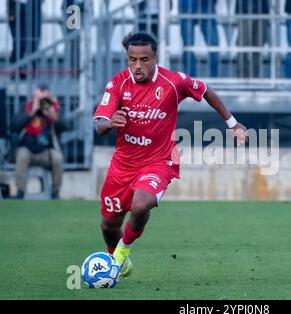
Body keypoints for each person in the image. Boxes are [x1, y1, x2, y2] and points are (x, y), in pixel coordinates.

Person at [93, 32, 247, 279]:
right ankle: (117, 260)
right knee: (108, 225)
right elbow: (99, 123)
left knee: (141, 204)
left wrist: (233, 124)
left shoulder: (173, 82)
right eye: (132, 60)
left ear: (155, 57)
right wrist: (109, 123)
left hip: (159, 161)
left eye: (144, 59)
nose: (137, 66)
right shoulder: (118, 83)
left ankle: (119, 256)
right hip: (123, 164)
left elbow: (206, 90)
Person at [12, 84, 64, 199]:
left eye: (44, 99)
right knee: (22, 156)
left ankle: (56, 193)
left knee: (58, 158)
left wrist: (53, 115)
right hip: (27, 148)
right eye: (38, 98)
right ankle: (20, 192)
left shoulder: (54, 108)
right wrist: (30, 113)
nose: (41, 102)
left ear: (50, 98)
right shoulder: (26, 106)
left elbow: (65, 127)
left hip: (46, 150)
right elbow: (14, 126)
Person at [8, 0, 43, 79]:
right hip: (16, 7)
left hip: (33, 6)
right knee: (19, 42)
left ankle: (31, 70)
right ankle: (17, 69)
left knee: (33, 41)